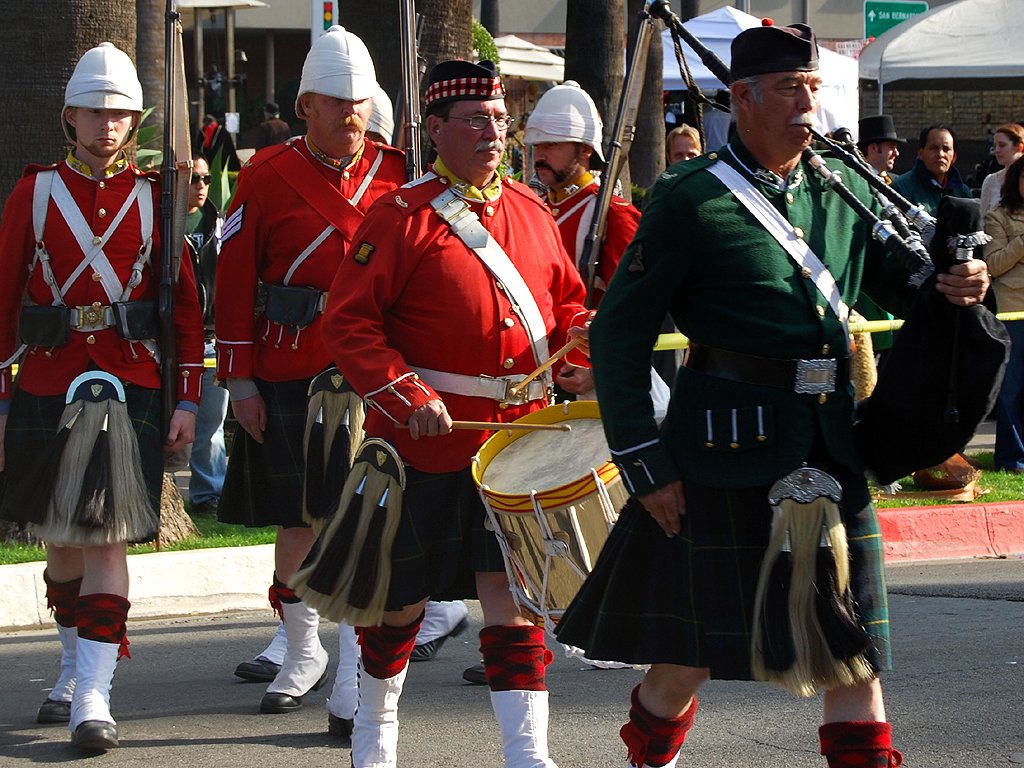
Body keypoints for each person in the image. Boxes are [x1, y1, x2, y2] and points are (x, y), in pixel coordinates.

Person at [554, 22, 990, 768]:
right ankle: (649, 756)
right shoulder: (689, 199)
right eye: (789, 89)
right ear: (742, 99)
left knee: (852, 653)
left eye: (812, 87)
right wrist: (646, 464)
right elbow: (619, 337)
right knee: (689, 657)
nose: (806, 104)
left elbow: (901, 283)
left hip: (831, 444)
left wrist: (957, 285)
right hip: (721, 453)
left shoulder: (842, 183)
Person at [320, 58, 588, 768]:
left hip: (518, 447)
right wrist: (410, 397)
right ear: (435, 129)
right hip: (425, 446)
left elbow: (564, 308)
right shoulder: (399, 215)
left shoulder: (533, 213)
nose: (493, 133)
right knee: (400, 604)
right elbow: (349, 325)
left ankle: (527, 752)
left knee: (515, 599)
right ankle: (374, 740)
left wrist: (580, 345)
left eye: (501, 120)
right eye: (476, 121)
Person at [0, 43, 204, 751]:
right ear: (69, 117)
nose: (107, 125)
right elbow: (1, 298)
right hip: (50, 377)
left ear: (134, 121)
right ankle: (67, 667)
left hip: (131, 379)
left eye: (119, 113)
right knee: (61, 544)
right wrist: (0, 399)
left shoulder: (156, 197)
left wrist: (187, 398)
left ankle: (94, 693)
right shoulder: (34, 192)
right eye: (94, 111)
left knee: (110, 537)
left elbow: (183, 313)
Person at [214, 25, 406, 723]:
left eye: (360, 101)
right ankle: (303, 651)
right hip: (289, 364)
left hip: (374, 373)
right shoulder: (265, 176)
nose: (351, 113)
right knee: (296, 523)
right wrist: (238, 381)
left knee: (364, 524)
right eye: (336, 101)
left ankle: (354, 668)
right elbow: (233, 282)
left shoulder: (400, 173)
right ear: (306, 106)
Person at [525, 79, 641, 399]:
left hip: (587, 382)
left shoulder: (614, 215)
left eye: (554, 144)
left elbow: (635, 308)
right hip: (532, 374)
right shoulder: (531, 208)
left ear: (585, 150)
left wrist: (601, 368)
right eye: (539, 145)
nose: (541, 153)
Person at [184, 155, 228, 516]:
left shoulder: (221, 226)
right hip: (166, 342)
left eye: (205, 178)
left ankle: (207, 494)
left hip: (212, 338)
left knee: (211, 423)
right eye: (193, 177)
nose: (200, 185)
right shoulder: (161, 225)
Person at [985, 154, 1024, 472]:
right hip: (1013, 315)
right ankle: (1011, 457)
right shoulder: (998, 216)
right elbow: (994, 264)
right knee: (1011, 389)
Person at [891, 124, 972, 215]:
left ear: (954, 157)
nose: (940, 154)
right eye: (934, 148)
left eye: (946, 149)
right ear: (921, 153)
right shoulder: (901, 189)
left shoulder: (963, 193)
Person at [979, 123, 1024, 214]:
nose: (997, 150)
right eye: (995, 146)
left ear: (1019, 147)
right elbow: (983, 219)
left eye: (1002, 145)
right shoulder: (991, 181)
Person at [857, 114, 905, 184]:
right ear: (874, 148)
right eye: (891, 147)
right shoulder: (858, 181)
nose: (896, 153)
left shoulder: (897, 182)